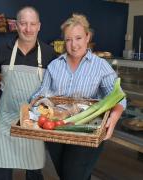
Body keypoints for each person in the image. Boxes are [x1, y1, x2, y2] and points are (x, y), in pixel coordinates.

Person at [32, 14, 126, 180]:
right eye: (68, 39)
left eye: (78, 38)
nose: (73, 45)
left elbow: (118, 96)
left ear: (87, 37)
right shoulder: (55, 65)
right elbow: (42, 92)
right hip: (56, 128)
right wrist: (33, 104)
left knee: (72, 175)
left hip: (86, 129)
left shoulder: (100, 66)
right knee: (69, 174)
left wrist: (114, 116)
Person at [0, 6, 56, 180]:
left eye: (32, 24)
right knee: (1, 169)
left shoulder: (49, 54)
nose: (28, 29)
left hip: (34, 123)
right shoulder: (2, 50)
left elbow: (54, 90)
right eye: (23, 24)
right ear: (16, 25)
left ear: (39, 26)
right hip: (6, 121)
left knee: (34, 172)